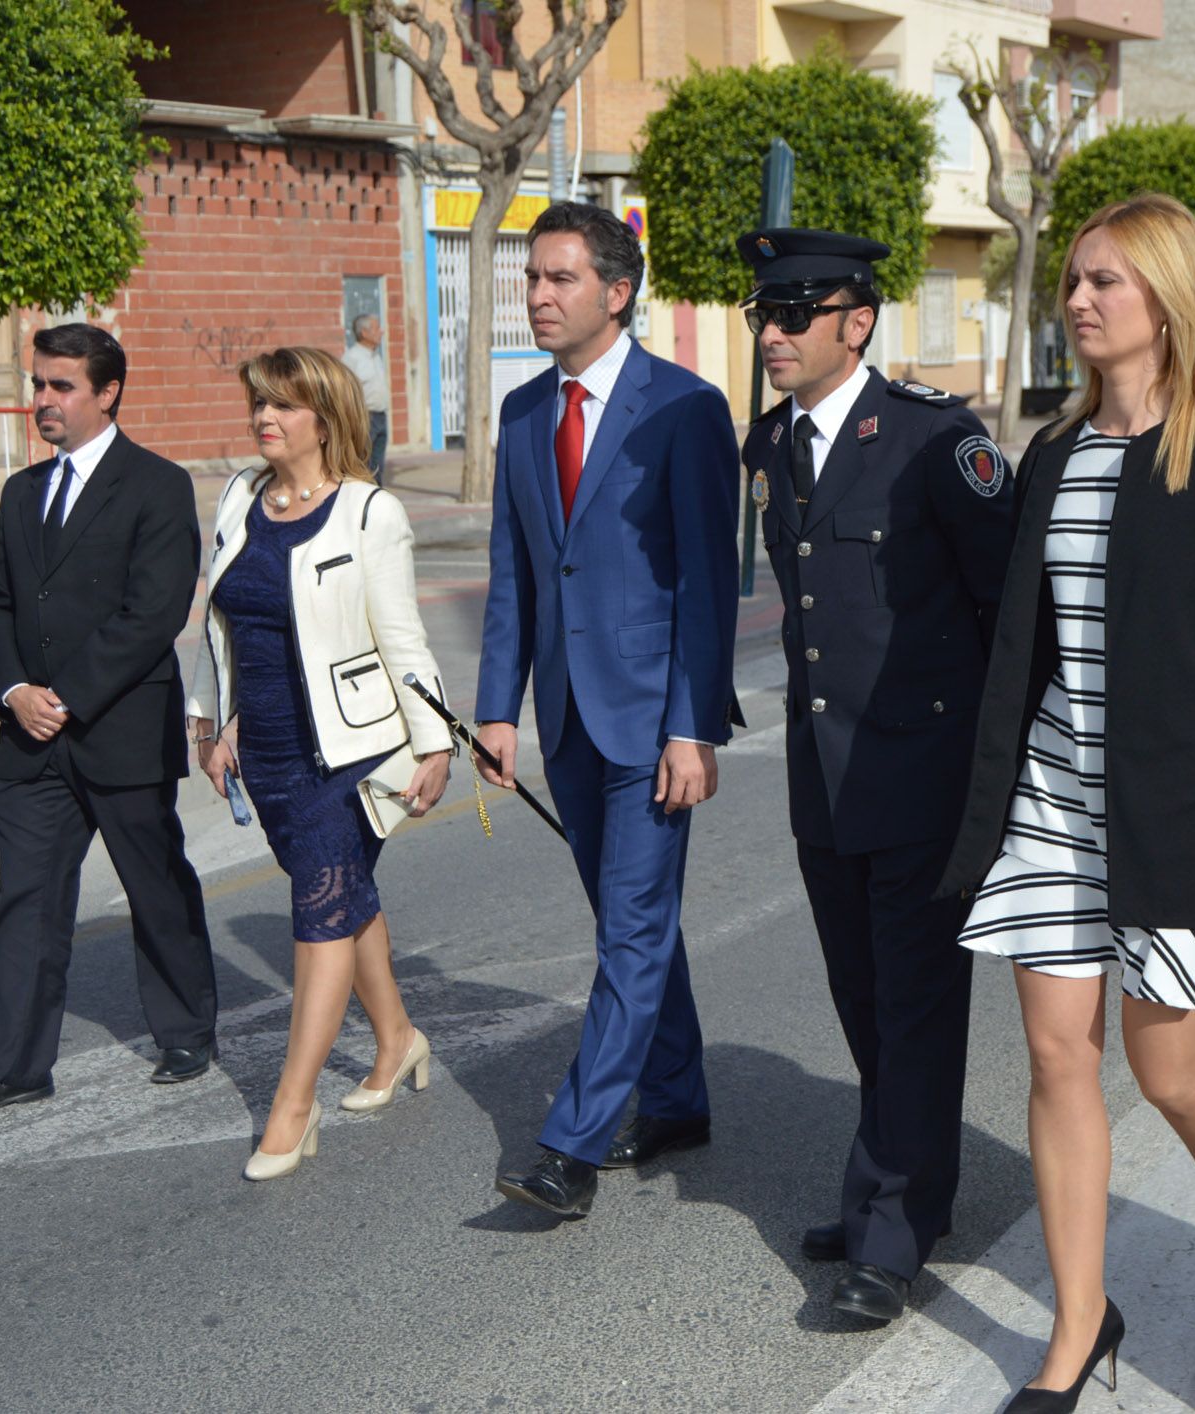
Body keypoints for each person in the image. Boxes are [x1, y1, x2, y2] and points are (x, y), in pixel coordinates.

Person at [942, 193, 1195, 1411]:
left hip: (1177, 810)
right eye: (1074, 281)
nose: (1082, 298)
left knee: (1169, 1076)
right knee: (1058, 1062)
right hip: (1054, 797)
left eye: (1107, 280)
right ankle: (1077, 1325)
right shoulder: (1051, 453)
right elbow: (1026, 643)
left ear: (1165, 298)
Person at [737, 228, 1015, 1323]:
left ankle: (892, 1230)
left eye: (791, 313)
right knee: (862, 1002)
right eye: (763, 313)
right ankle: (894, 1184)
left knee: (912, 1007)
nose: (770, 332)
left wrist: (999, 776)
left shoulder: (932, 441)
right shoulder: (770, 445)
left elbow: (1004, 608)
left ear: (855, 320)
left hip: (921, 776)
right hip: (825, 778)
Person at [475, 201, 741, 1220]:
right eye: (531, 279)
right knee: (629, 922)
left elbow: (707, 585)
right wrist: (496, 707)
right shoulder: (520, 413)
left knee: (629, 930)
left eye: (559, 280)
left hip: (650, 722)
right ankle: (673, 1097)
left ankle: (568, 1149)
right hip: (564, 717)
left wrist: (693, 725)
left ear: (615, 291)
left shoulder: (683, 407)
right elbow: (513, 571)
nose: (537, 296)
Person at [0, 323, 220, 1119]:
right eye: (38, 385)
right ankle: (12, 1065)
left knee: (153, 883)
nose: (43, 401)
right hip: (28, 740)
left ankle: (186, 1028)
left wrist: (69, 695)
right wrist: (16, 688)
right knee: (25, 898)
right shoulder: (23, 493)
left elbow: (153, 612)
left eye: (61, 386)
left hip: (119, 730)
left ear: (106, 392)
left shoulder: (157, 485)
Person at [185, 346, 453, 1180]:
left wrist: (437, 737)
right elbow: (217, 625)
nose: (265, 418)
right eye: (259, 403)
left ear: (325, 418)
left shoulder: (370, 513)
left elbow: (401, 635)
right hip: (265, 747)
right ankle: (400, 1040)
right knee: (344, 897)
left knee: (320, 912)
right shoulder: (238, 498)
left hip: (349, 749)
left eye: (284, 406)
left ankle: (290, 1111)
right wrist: (207, 722)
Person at [341, 314, 392, 475]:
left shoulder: (375, 355)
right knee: (363, 464)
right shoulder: (351, 358)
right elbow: (345, 393)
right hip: (364, 417)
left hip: (380, 416)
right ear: (364, 333)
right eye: (377, 328)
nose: (381, 332)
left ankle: (377, 495)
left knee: (378, 465)